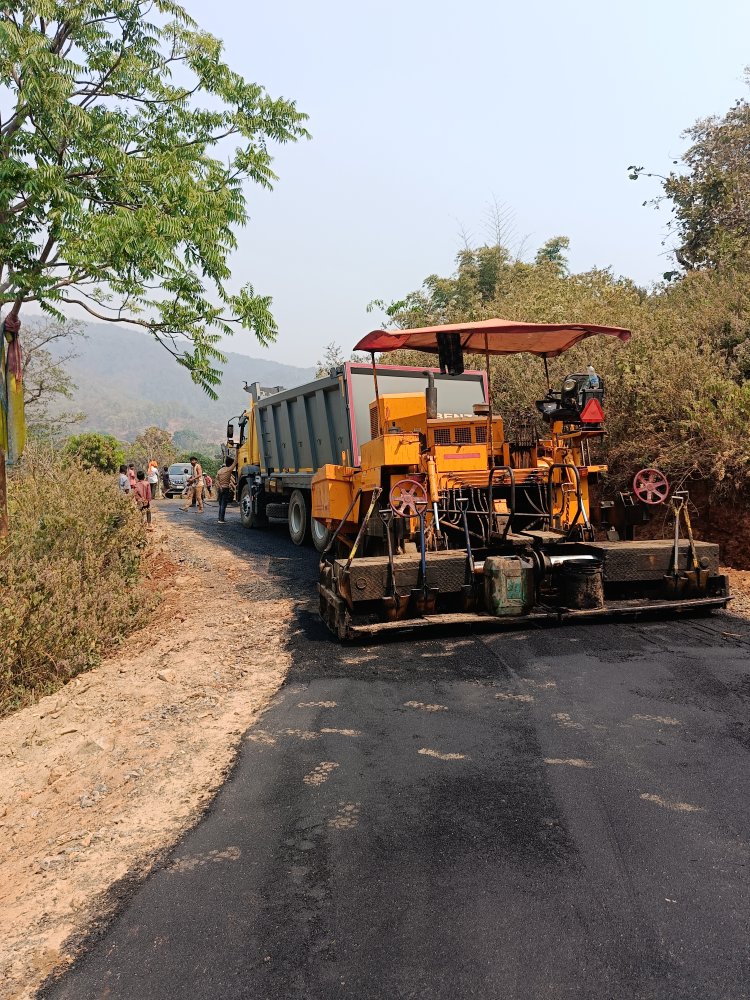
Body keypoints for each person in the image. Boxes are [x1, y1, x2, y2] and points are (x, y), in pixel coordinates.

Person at [215, 456, 237, 524]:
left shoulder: (219, 471)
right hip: (226, 488)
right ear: (230, 464)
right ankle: (221, 520)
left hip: (220, 489)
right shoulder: (229, 469)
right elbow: (235, 462)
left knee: (220, 504)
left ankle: (219, 518)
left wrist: (220, 487)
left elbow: (216, 480)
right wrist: (237, 450)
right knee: (223, 505)